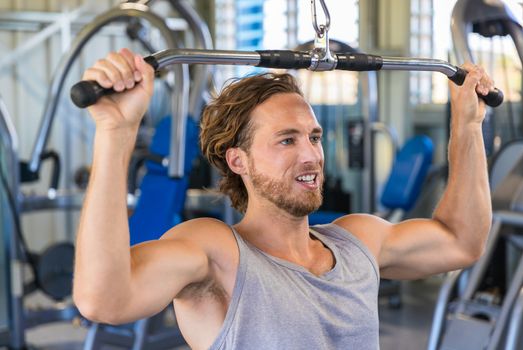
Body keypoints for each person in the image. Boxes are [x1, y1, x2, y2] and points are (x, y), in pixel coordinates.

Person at [73, 47, 493, 350]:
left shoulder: (356, 241)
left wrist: (468, 125)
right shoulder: (218, 253)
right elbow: (103, 299)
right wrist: (116, 133)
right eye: (286, 140)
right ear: (239, 160)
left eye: (313, 137)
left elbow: (462, 239)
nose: (311, 154)